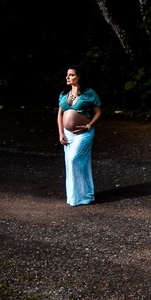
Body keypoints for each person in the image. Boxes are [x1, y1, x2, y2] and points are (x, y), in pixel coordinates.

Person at [57, 65, 102, 206]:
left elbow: (98, 112)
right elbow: (60, 114)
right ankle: (75, 197)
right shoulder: (64, 94)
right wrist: (61, 133)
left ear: (79, 77)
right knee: (71, 164)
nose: (67, 77)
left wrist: (89, 125)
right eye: (67, 75)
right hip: (68, 134)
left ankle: (85, 194)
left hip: (84, 133)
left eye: (71, 75)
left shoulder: (89, 93)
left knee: (74, 159)